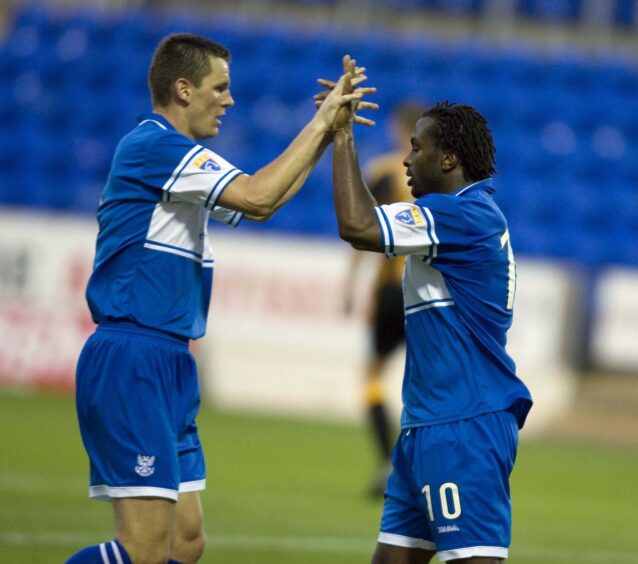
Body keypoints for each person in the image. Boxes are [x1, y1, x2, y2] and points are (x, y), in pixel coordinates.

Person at [66, 36, 375, 564]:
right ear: (183, 90)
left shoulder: (181, 161)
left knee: (186, 542)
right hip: (133, 357)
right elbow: (257, 196)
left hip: (169, 361)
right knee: (142, 551)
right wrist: (321, 123)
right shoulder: (154, 146)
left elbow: (266, 202)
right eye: (221, 88)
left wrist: (330, 132)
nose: (230, 101)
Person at [325, 62, 533, 563]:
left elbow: (357, 226)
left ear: (449, 160)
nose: (406, 161)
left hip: (463, 426)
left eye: (417, 149)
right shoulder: (459, 215)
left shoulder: (460, 214)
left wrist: (341, 134)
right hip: (426, 426)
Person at [342, 102, 425, 498]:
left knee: (373, 375)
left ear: (400, 129)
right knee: (427, 384)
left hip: (392, 291)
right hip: (428, 295)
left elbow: (364, 230)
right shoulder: (443, 177)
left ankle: (388, 464)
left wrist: (352, 286)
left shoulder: (387, 171)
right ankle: (426, 469)